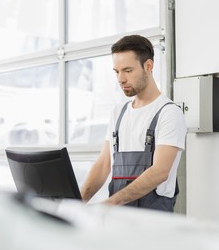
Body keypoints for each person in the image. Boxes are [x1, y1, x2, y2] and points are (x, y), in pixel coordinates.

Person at [80, 35, 187, 212]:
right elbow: (103, 165)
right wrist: (78, 202)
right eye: (117, 71)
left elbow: (160, 171)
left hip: (152, 223)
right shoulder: (118, 114)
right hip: (118, 219)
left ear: (148, 66)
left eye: (128, 70)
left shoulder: (168, 113)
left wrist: (109, 204)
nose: (121, 79)